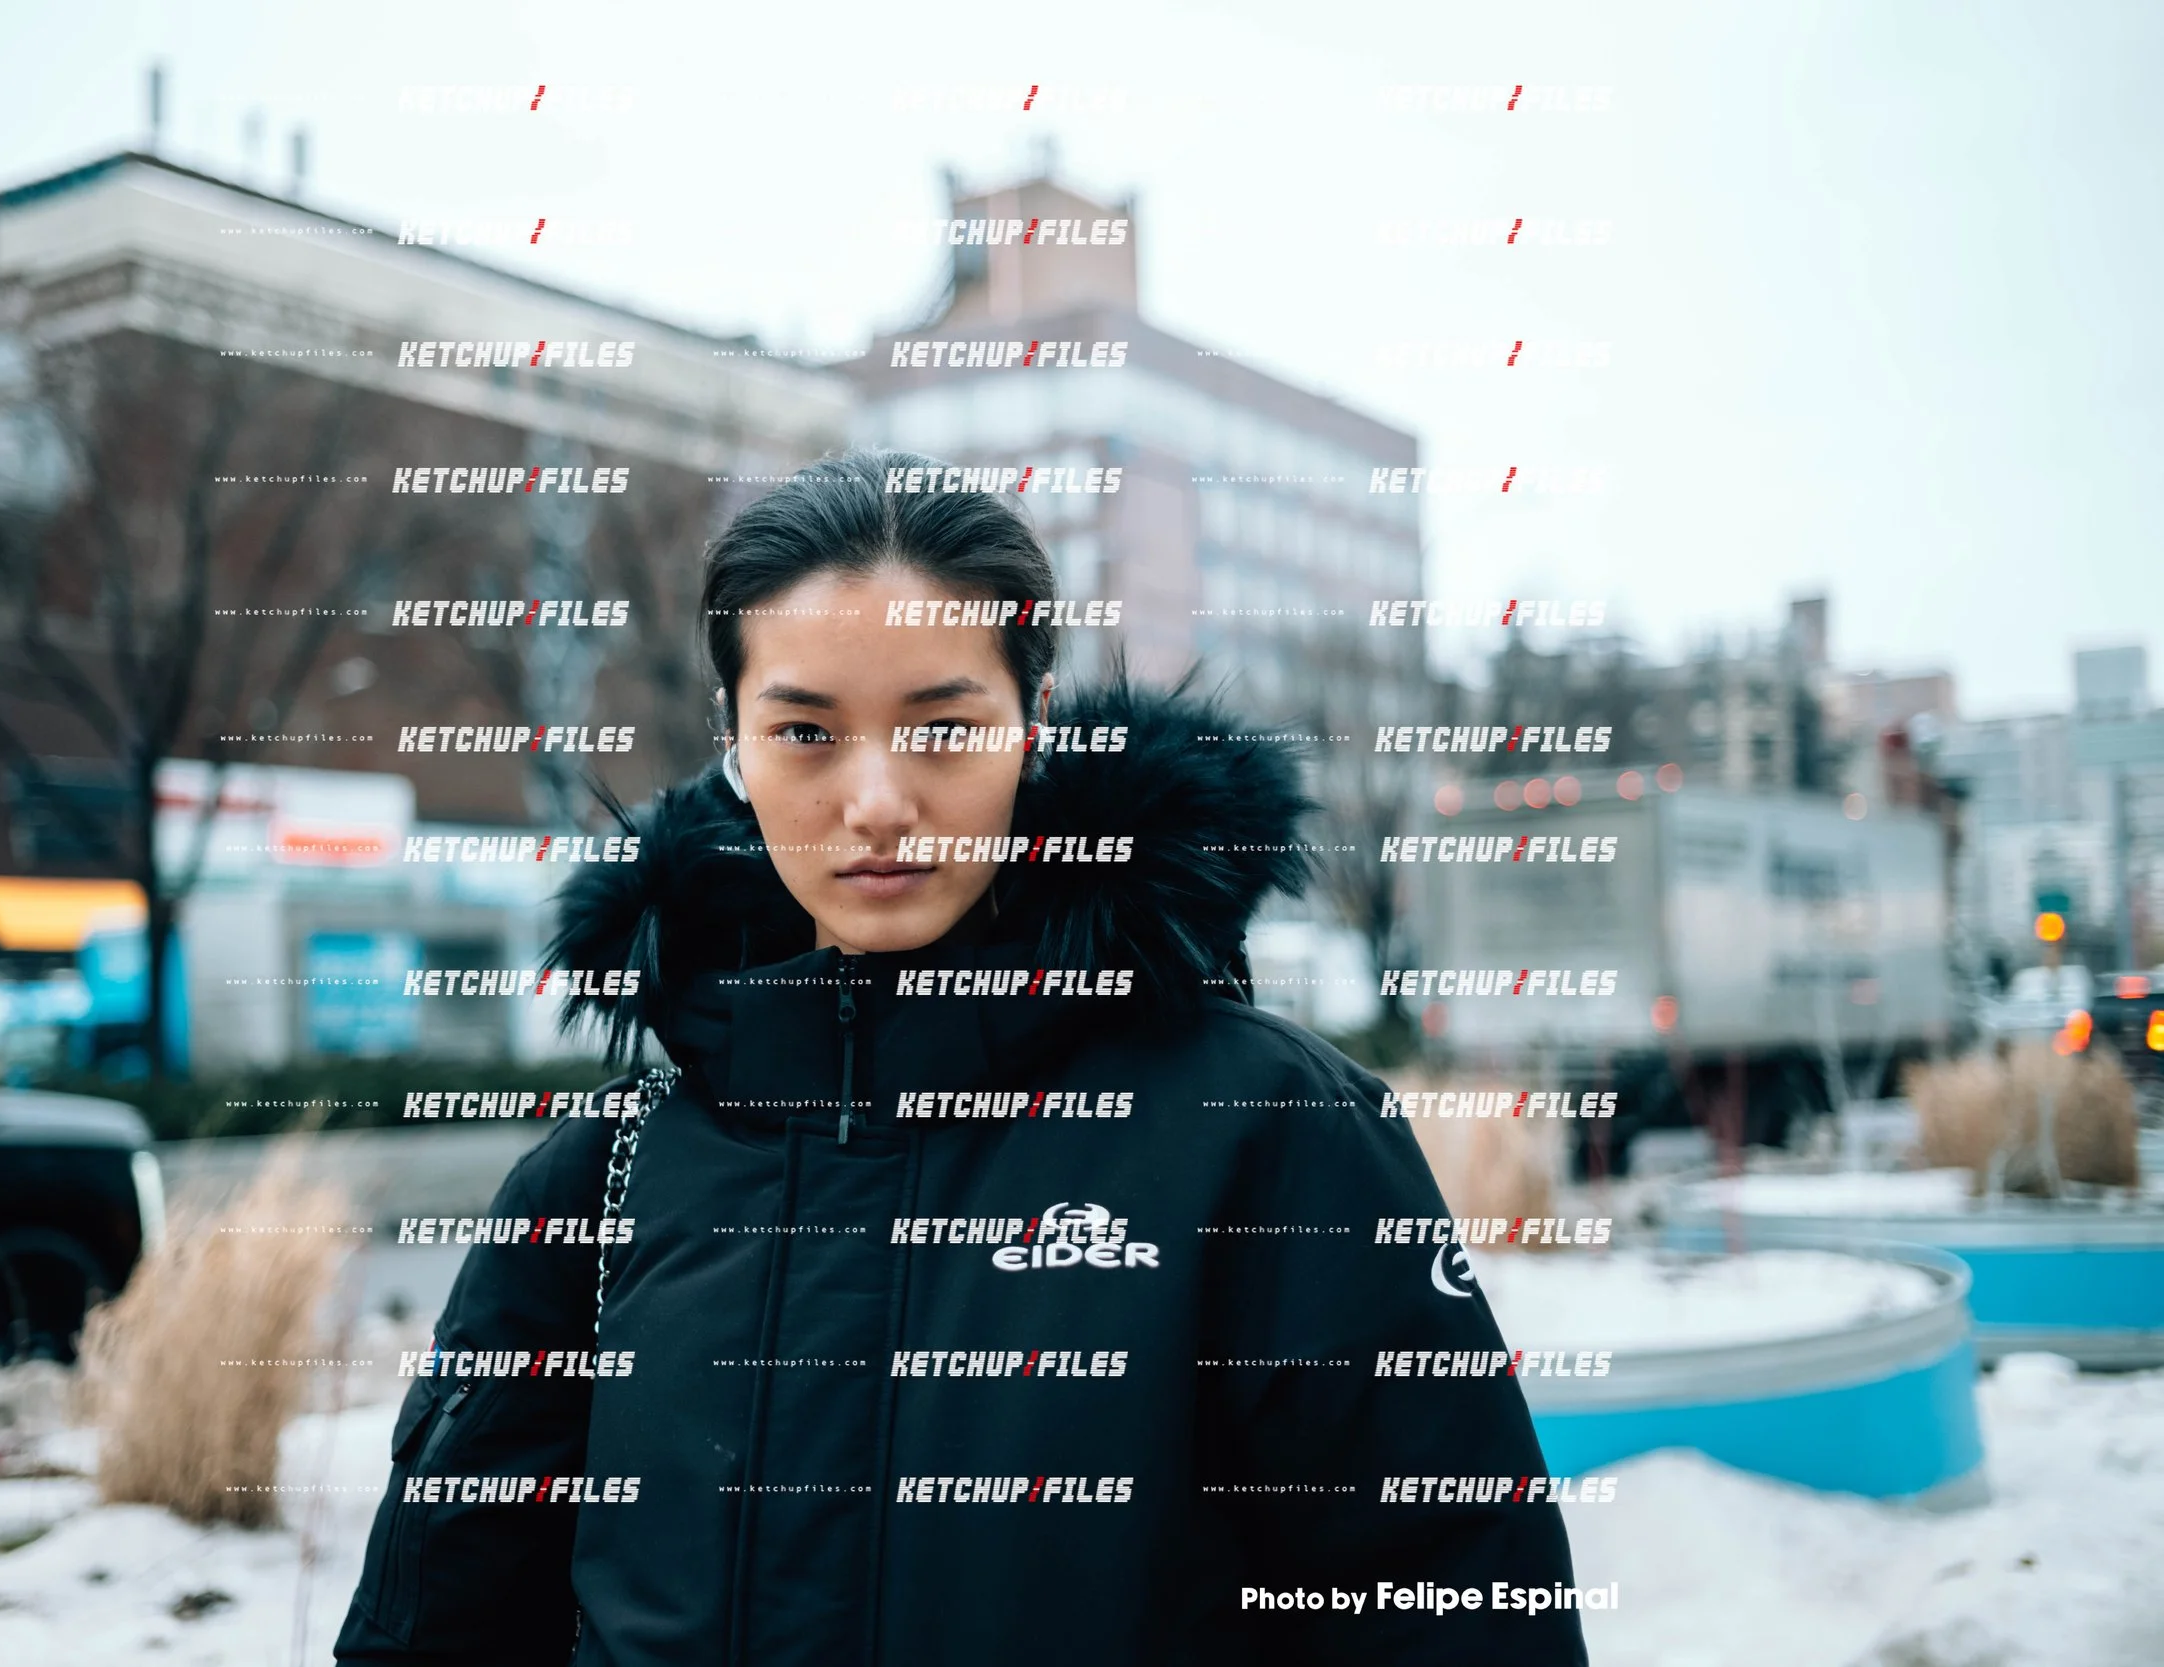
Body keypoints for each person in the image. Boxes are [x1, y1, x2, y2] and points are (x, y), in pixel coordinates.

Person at [336, 449, 1589, 1665]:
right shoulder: (600, 1177)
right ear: (733, 732)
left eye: (940, 727)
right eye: (807, 732)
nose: (876, 800)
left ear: (1033, 720)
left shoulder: (1265, 1138)